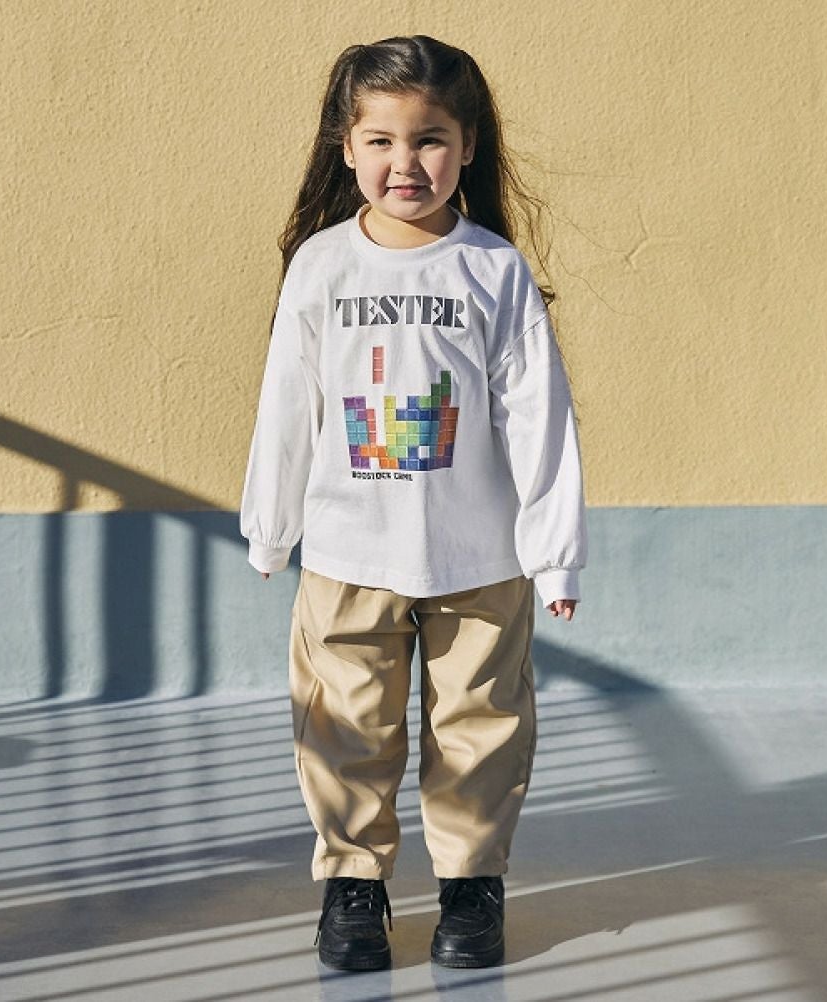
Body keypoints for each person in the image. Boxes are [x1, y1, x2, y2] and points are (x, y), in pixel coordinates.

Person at [240, 34, 586, 971]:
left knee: (479, 727)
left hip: (480, 559)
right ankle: (353, 888)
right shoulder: (322, 266)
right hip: (348, 554)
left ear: (467, 145)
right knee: (344, 726)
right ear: (346, 146)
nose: (406, 162)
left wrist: (554, 552)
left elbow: (539, 416)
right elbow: (290, 404)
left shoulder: (494, 270)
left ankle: (472, 886)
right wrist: (271, 527)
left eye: (430, 139)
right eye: (382, 140)